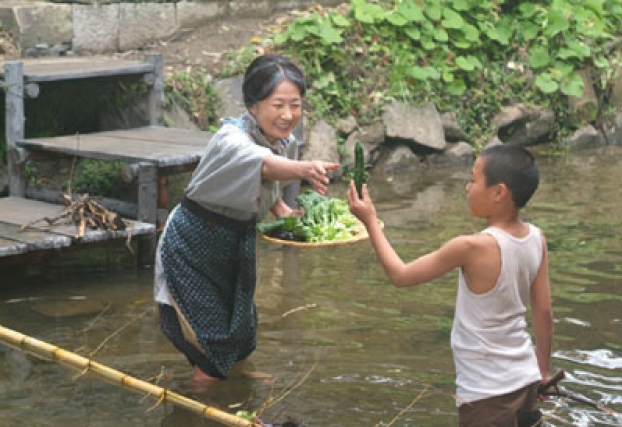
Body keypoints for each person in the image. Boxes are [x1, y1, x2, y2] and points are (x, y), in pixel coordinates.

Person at [154, 54, 339, 382]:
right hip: (192, 246)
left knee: (239, 329)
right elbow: (262, 165)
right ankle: (206, 402)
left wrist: (280, 209)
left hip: (233, 242)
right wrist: (306, 169)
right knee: (208, 341)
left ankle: (236, 386)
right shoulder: (231, 139)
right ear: (253, 105)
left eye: (295, 105)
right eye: (277, 104)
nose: (287, 115)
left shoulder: (284, 140)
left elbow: (266, 183)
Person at [347, 144, 554, 426]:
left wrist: (370, 220)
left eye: (473, 179)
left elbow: (400, 275)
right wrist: (542, 371)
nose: (467, 188)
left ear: (498, 192)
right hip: (525, 379)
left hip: (487, 394)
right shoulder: (536, 238)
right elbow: (544, 313)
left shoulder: (471, 247)